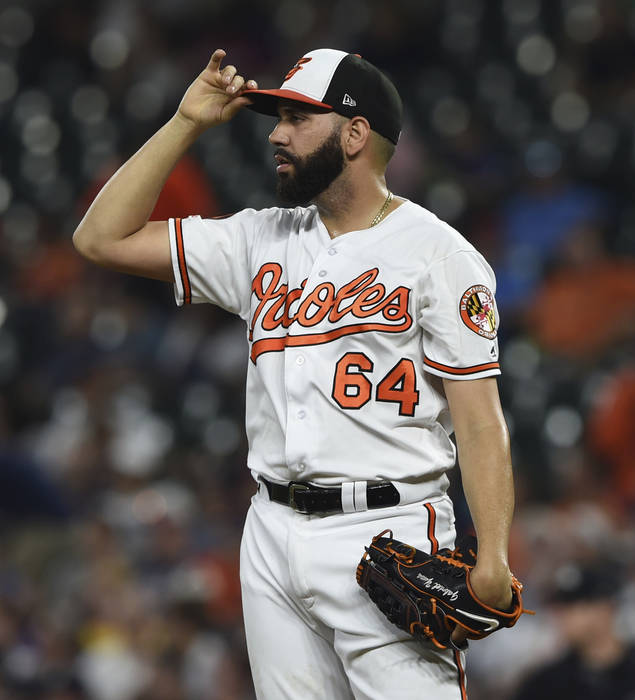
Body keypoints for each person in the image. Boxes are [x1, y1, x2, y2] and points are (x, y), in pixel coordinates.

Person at [72, 48, 518, 699]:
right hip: (271, 532)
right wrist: (185, 124)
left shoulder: (440, 256)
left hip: (387, 532)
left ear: (355, 133)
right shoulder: (259, 239)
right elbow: (99, 239)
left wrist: (496, 553)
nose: (278, 133)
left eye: (299, 118)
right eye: (277, 118)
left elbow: (480, 424)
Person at [513, 561, 635, 700]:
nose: (562, 617)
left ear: (606, 608)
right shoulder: (546, 684)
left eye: (574, 606)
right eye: (560, 608)